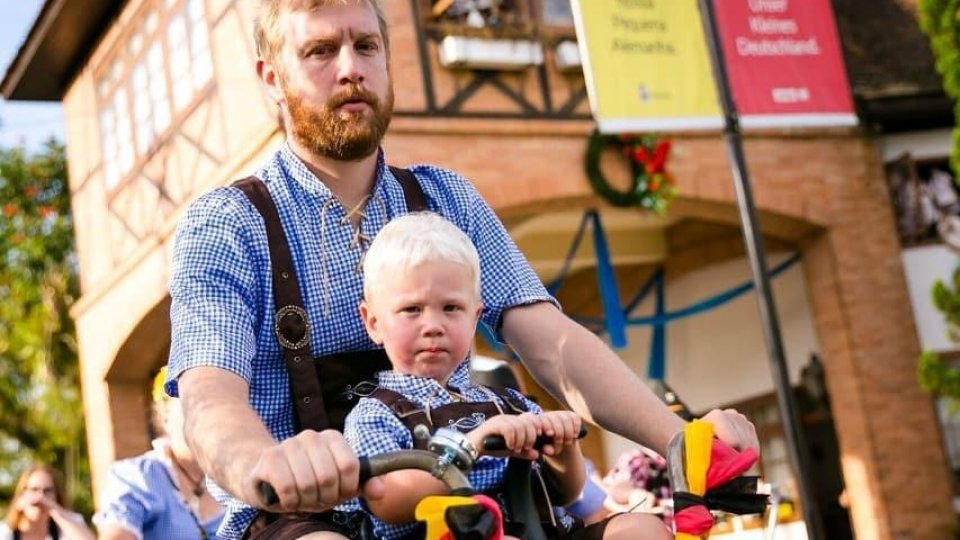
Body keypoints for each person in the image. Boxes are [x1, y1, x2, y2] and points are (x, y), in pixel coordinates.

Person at [164, 1, 759, 539]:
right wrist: (260, 464)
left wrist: (678, 438)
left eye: (366, 46)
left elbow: (551, 342)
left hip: (475, 500)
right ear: (272, 78)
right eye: (320, 51)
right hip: (306, 519)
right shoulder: (227, 223)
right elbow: (209, 397)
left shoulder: (447, 198)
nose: (350, 68)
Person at [338, 212, 668, 539]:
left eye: (451, 308)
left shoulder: (508, 402)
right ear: (374, 323)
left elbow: (566, 494)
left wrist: (563, 446)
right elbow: (387, 497)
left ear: (475, 316)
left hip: (543, 531)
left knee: (642, 528)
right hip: (453, 535)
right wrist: (473, 445)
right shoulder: (375, 414)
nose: (433, 326)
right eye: (412, 309)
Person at [94, 369, 224, 539]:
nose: (206, 419)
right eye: (193, 407)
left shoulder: (234, 475)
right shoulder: (139, 476)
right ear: (165, 418)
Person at [1, 464, 95, 540]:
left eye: (47, 491)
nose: (40, 497)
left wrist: (55, 510)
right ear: (22, 493)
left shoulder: (65, 526)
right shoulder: (6, 532)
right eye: (34, 489)